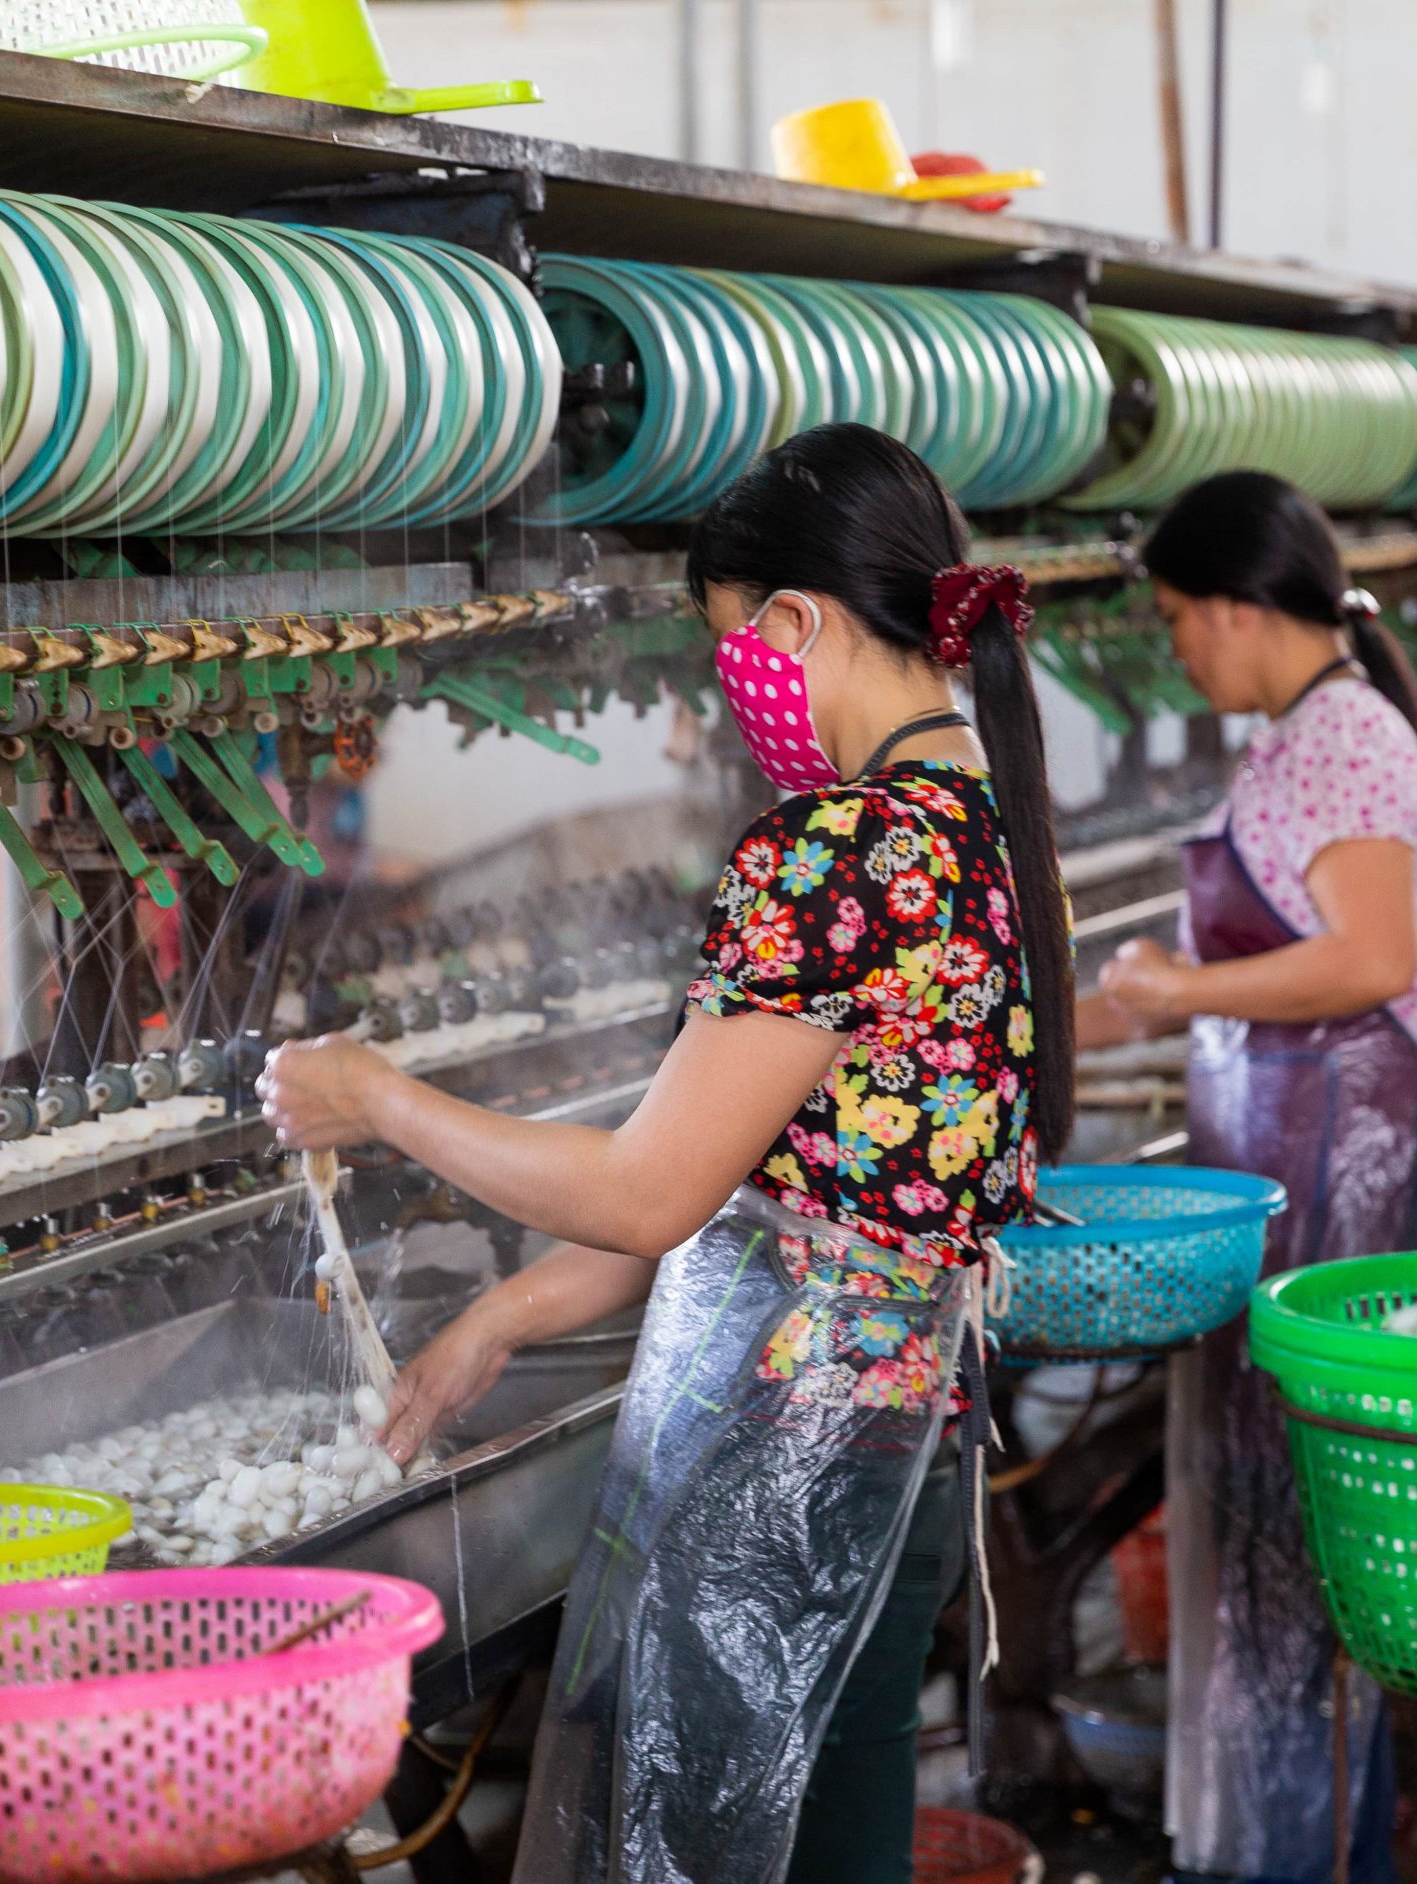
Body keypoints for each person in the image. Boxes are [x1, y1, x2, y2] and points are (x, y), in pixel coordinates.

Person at [258, 423, 1074, 1884]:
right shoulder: (989, 828)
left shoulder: (833, 853)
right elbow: (785, 1181)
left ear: (799, 623)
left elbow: (652, 1190)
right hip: (902, 1455)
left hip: (782, 1483)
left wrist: (379, 1098)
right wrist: (508, 1310)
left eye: (730, 645)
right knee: (838, 1840)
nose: (730, 686)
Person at [1082, 472, 1417, 1884]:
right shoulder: (1312, 731)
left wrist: (1180, 990)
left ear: (1246, 610)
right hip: (1303, 1144)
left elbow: (1372, 964)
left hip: (1343, 1147)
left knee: (1305, 1525)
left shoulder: (1343, 737)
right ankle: (1290, 1841)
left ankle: (1304, 1853)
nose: (1179, 646)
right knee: (1280, 1522)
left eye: (1183, 617)